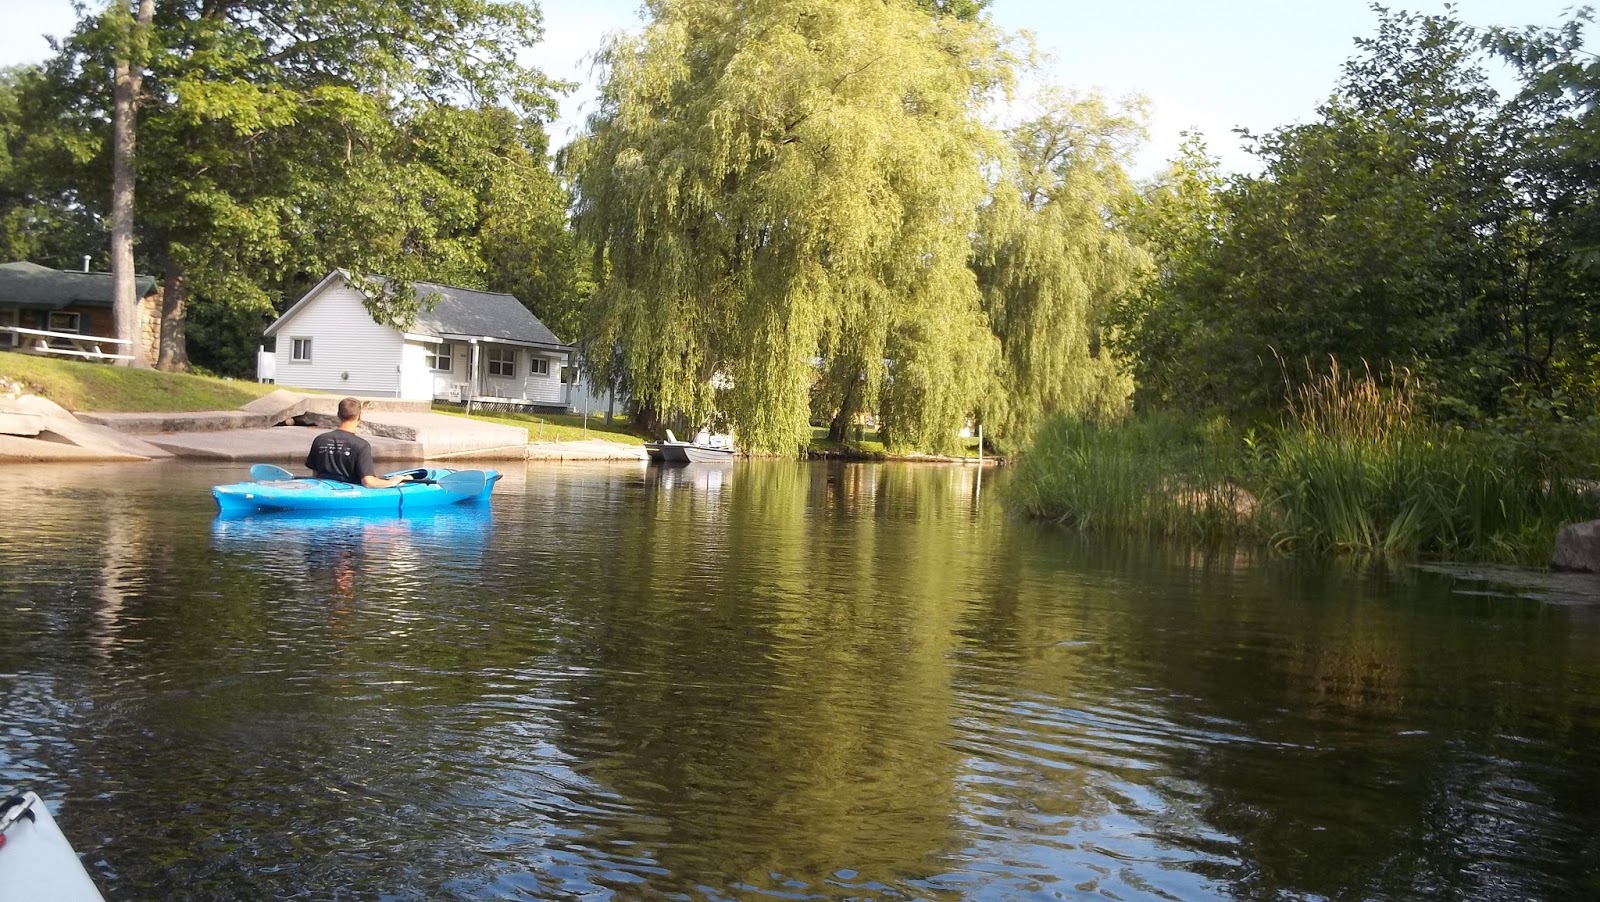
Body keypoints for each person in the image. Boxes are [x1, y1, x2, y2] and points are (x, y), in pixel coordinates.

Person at [305, 397, 411, 488]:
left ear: (338, 414)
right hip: (349, 494)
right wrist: (392, 482)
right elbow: (368, 482)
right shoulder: (361, 445)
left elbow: (315, 475)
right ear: (359, 416)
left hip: (322, 489)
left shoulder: (320, 439)